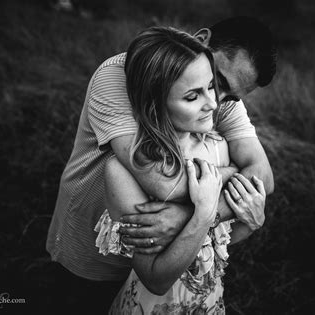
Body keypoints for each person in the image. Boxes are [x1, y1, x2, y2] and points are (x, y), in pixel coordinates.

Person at [46, 16, 277, 312]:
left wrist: (188, 218)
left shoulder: (218, 97)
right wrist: (230, 177)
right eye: (218, 83)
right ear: (202, 40)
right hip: (92, 249)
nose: (216, 102)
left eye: (227, 95)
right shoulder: (118, 76)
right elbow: (163, 182)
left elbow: (262, 177)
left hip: (173, 257)